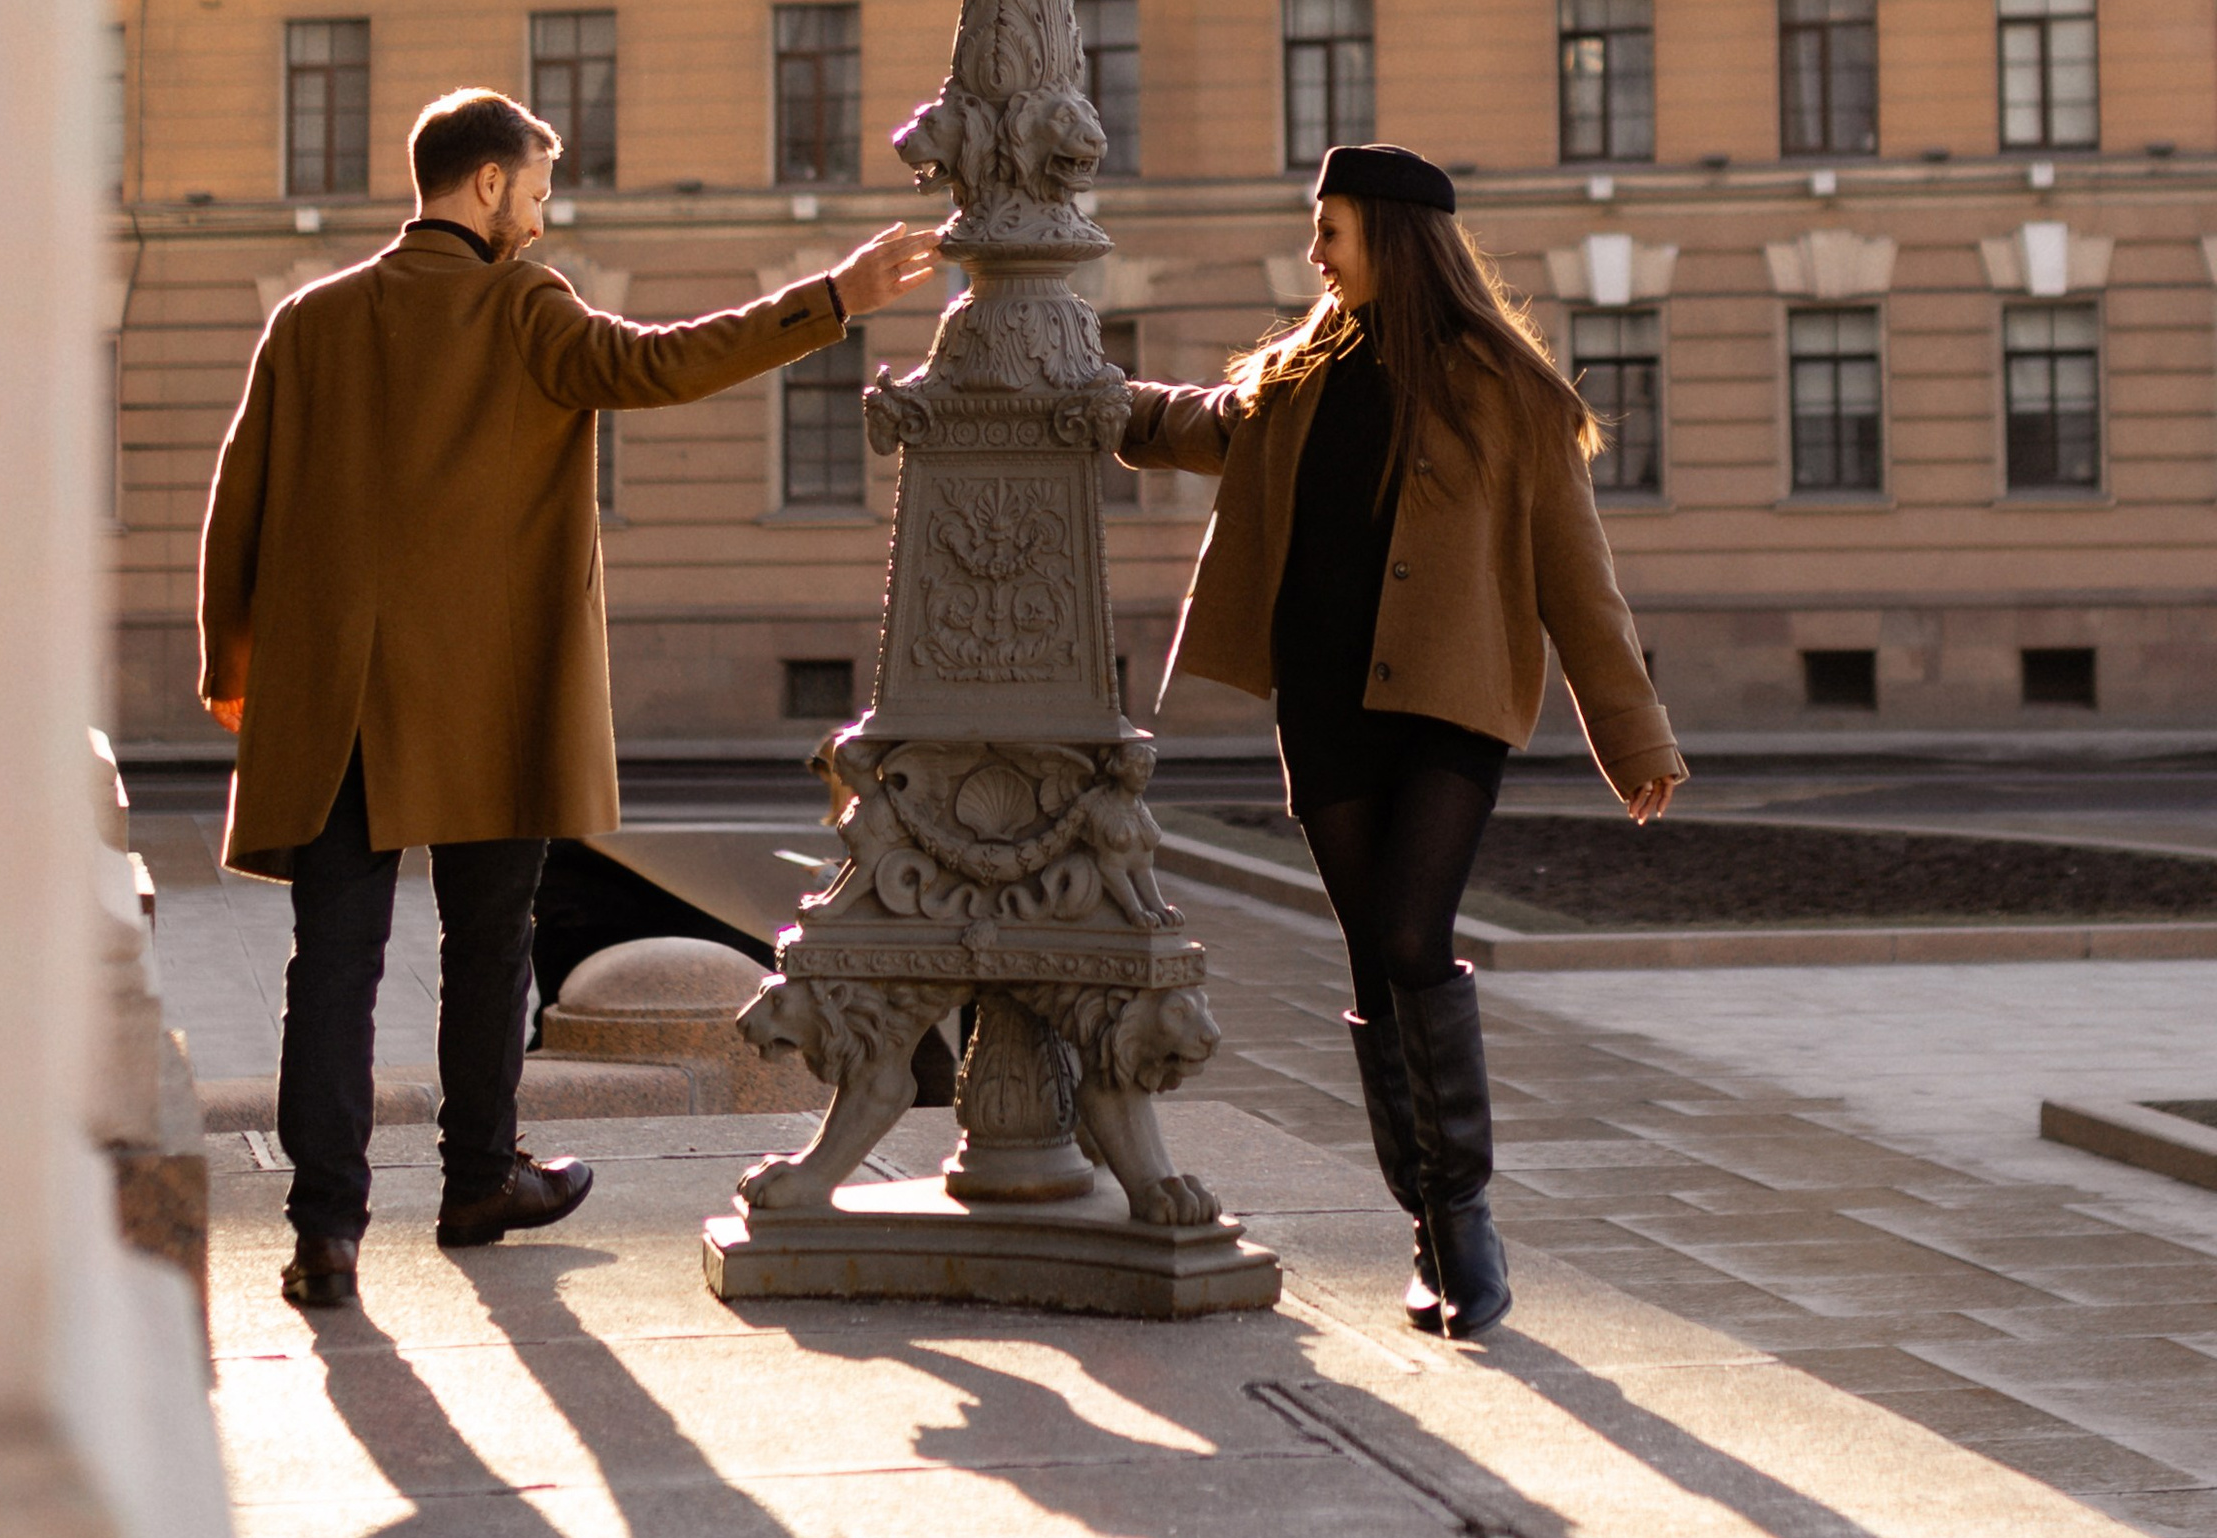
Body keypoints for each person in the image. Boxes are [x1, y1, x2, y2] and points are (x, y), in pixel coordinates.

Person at [198, 85, 937, 1307]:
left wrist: (233, 668)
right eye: (536, 194)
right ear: (487, 184)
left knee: (330, 965)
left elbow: (242, 494)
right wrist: (832, 300)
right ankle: (479, 1181)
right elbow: (659, 363)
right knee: (490, 946)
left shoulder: (309, 319)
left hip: (332, 701)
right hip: (490, 697)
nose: (540, 223)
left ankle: (324, 1232)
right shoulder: (521, 304)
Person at [1117, 141, 1684, 1337]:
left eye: (1330, 230)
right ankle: (1426, 1222)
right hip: (1324, 704)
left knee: (1415, 933)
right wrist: (1073, 392)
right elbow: (1186, 423)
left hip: (1449, 705)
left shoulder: (1513, 393)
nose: (1314, 253)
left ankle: (1464, 1215)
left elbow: (1578, 580)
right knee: (1374, 958)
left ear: (1392, 237)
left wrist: (1633, 735)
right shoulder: (1294, 379)